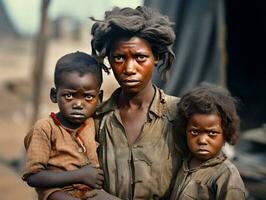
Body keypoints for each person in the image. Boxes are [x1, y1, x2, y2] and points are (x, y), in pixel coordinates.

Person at [48, 5, 183, 200]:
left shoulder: (180, 115)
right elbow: (62, 178)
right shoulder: (92, 120)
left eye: (140, 57)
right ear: (108, 61)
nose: (129, 68)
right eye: (119, 58)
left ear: (156, 58)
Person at [22, 51, 105, 200]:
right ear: (54, 95)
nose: (79, 104)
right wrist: (80, 175)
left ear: (99, 99)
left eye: (88, 97)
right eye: (69, 95)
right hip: (57, 192)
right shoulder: (45, 128)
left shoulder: (93, 123)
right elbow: (33, 177)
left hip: (91, 192)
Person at [170, 84, 246, 199]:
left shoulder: (226, 177)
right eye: (194, 132)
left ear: (225, 133)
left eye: (212, 133)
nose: (202, 140)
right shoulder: (183, 164)